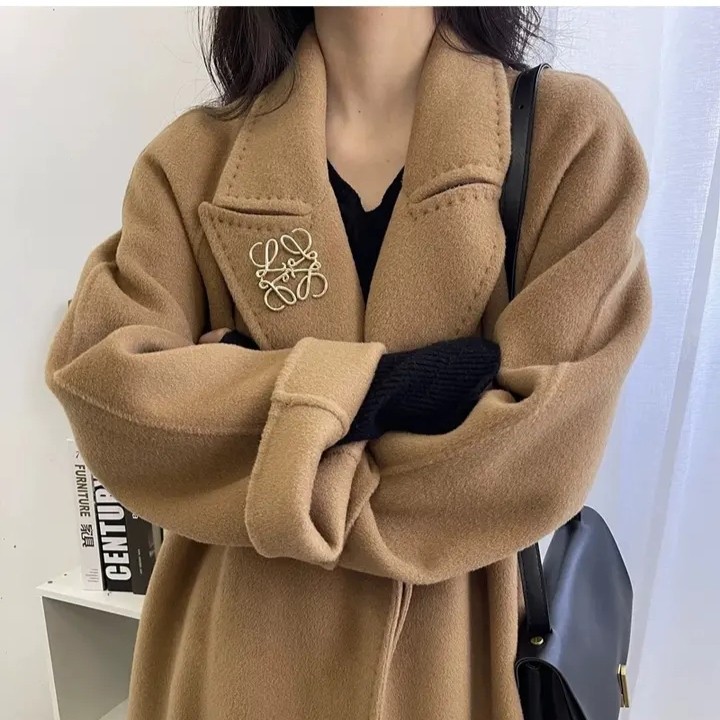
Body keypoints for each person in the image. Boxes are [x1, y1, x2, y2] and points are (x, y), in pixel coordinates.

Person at [46, 7, 651, 720]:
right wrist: (397, 390)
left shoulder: (568, 138)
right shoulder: (190, 160)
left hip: (450, 666)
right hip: (229, 661)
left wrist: (238, 388)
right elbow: (112, 396)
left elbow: (537, 451)